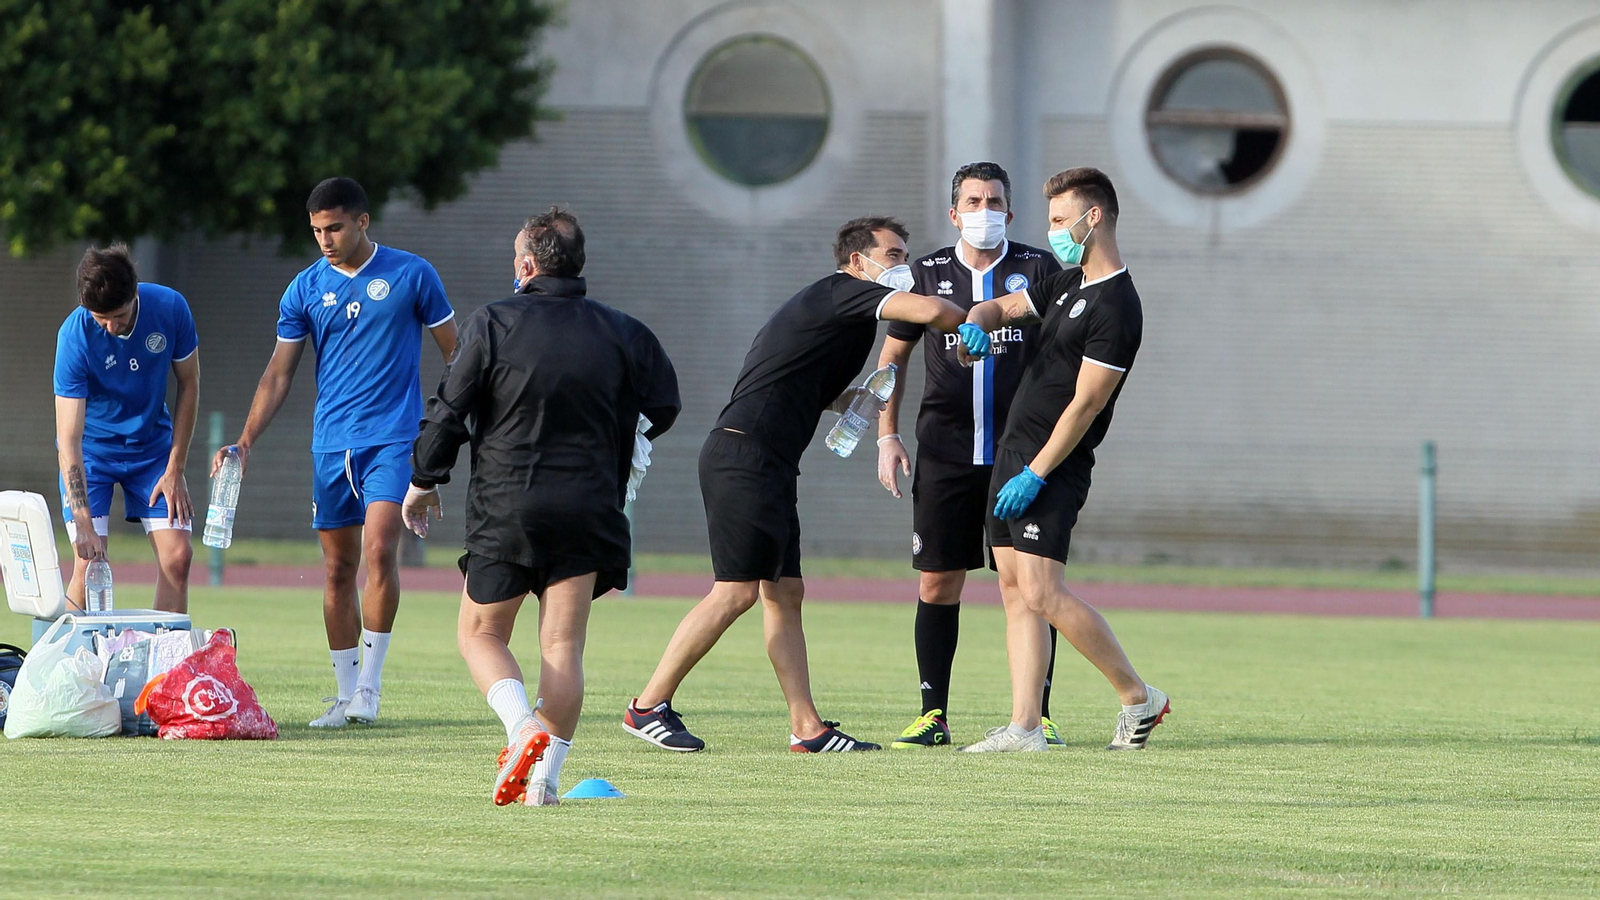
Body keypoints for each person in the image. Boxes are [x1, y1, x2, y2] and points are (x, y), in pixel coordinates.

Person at [625, 216, 969, 753]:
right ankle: (648, 707)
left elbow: (806, 386)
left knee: (785, 593)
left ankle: (807, 729)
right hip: (745, 455)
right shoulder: (843, 293)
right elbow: (933, 311)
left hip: (770, 461)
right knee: (736, 591)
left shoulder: (847, 320)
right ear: (857, 262)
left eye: (906, 255)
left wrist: (853, 401)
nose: (904, 266)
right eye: (894, 256)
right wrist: (977, 321)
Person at [404, 208, 680, 806]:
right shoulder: (624, 331)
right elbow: (665, 406)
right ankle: (545, 786)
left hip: (508, 505)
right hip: (589, 506)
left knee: (481, 633)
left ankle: (520, 728)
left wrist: (425, 478)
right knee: (562, 648)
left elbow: (450, 409)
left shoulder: (493, 321)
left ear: (527, 266)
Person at [215, 177, 457, 728]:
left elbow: (457, 356)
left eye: (335, 228)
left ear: (362, 222)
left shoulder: (412, 274)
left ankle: (370, 688)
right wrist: (245, 441)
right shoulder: (303, 289)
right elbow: (279, 375)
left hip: (392, 441)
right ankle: (345, 696)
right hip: (330, 447)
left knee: (380, 551)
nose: (325, 239)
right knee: (337, 569)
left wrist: (446, 432)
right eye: (317, 230)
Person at [953, 167, 1169, 752]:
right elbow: (996, 308)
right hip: (1013, 450)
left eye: (1058, 219)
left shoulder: (1118, 304)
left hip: (1052, 463)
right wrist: (975, 325)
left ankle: (1138, 697)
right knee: (1014, 589)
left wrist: (1037, 472)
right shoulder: (1065, 281)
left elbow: (1086, 405)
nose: (1051, 231)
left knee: (1044, 591)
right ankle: (1025, 727)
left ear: (1092, 218)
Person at [873, 162, 1066, 749]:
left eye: (995, 201)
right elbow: (892, 359)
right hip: (946, 450)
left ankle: (1035, 716)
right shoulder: (926, 275)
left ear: (1010, 210)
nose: (986, 211)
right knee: (938, 583)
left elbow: (1064, 353)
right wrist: (886, 435)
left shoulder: (1040, 269)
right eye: (974, 202)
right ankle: (933, 715)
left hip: (1020, 454)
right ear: (955, 214)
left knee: (1026, 584)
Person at [53, 245, 199, 613]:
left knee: (178, 558)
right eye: (100, 318)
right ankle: (69, 652)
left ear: (135, 293)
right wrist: (83, 521)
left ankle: (164, 652)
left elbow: (190, 384)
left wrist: (175, 469)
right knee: (89, 564)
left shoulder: (170, 308)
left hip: (152, 450)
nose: (110, 327)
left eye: (118, 316)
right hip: (93, 454)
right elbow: (69, 439)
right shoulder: (74, 336)